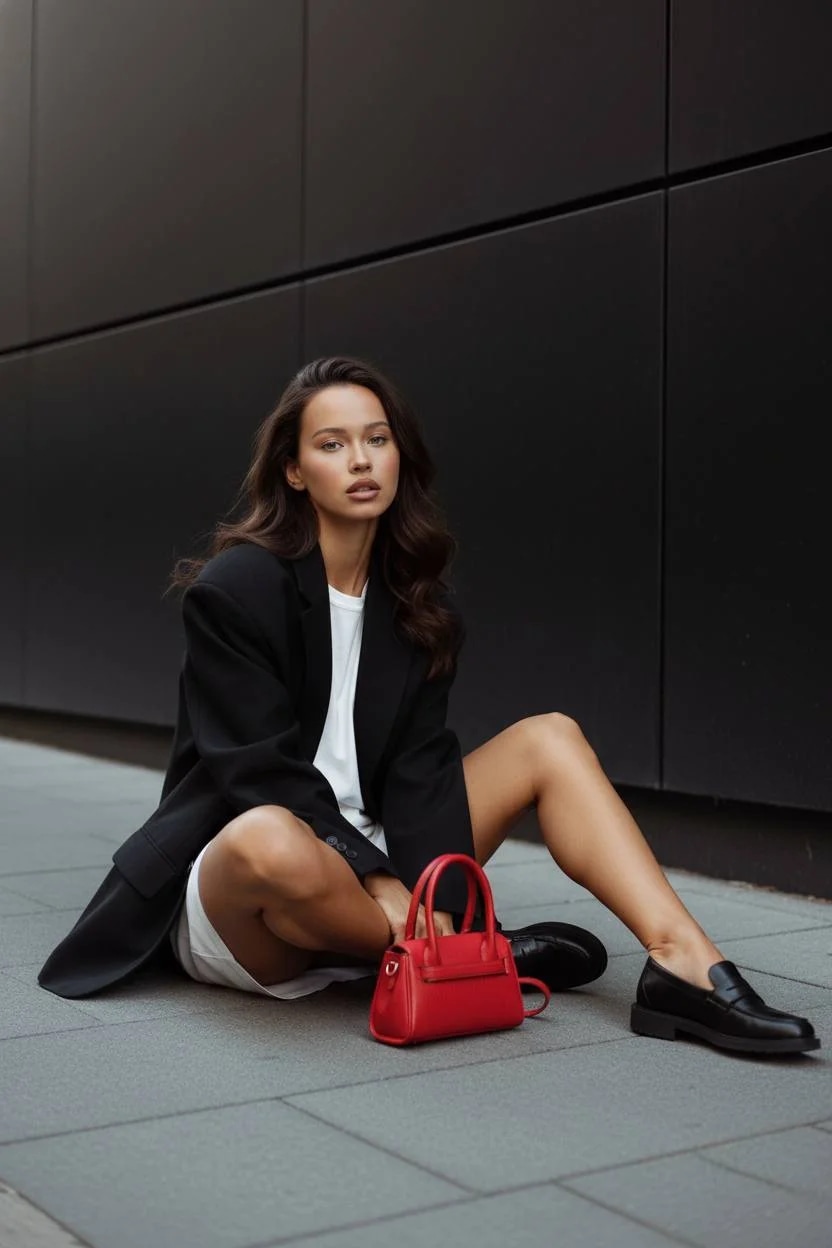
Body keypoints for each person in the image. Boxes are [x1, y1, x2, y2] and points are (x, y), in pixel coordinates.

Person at [39, 357, 818, 1056]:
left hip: (374, 859)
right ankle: (468, 951)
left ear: (399, 455)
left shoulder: (413, 605)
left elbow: (420, 776)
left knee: (550, 738)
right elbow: (256, 774)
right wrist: (381, 881)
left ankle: (684, 964)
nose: (360, 460)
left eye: (376, 439)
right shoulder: (236, 592)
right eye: (332, 444)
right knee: (270, 838)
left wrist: (422, 887)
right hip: (256, 886)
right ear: (295, 471)